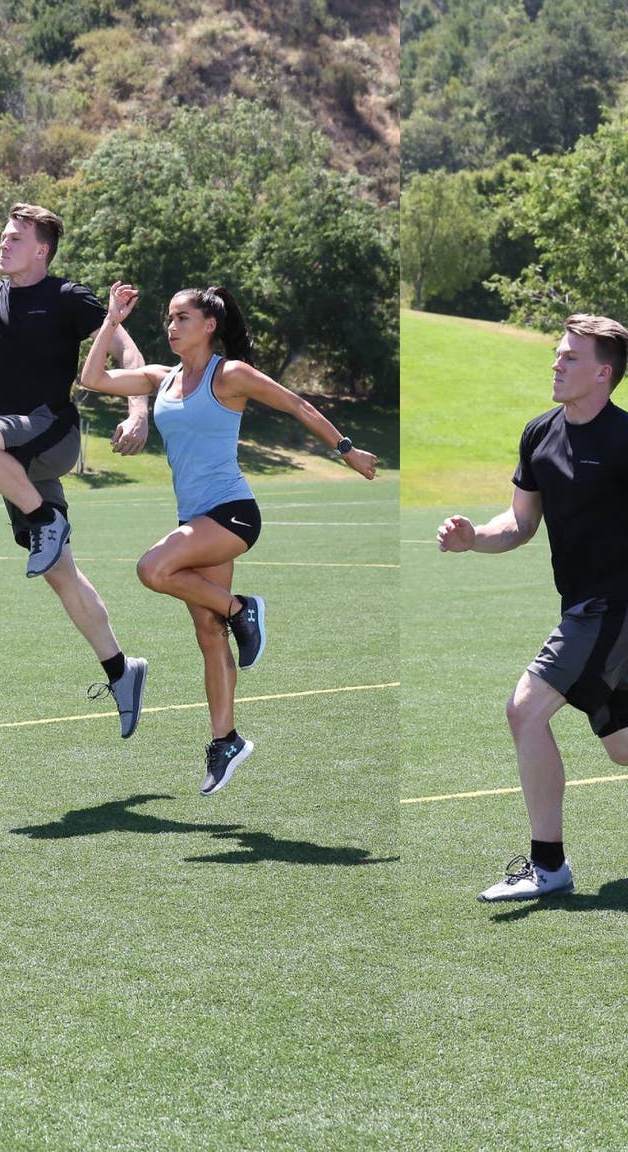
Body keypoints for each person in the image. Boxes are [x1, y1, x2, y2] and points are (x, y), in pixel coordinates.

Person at [436, 315, 628, 903]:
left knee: (525, 710)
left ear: (603, 373)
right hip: (586, 606)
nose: (556, 364)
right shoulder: (539, 433)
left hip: (618, 604)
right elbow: (520, 522)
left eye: (570, 358)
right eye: (558, 355)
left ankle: (548, 867)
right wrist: (475, 538)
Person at [78, 283, 378, 795]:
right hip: (196, 517)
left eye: (182, 318)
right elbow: (92, 377)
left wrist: (346, 449)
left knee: (153, 568)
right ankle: (227, 740)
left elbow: (295, 405)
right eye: (168, 319)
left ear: (209, 325)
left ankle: (244, 610)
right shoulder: (161, 377)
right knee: (206, 632)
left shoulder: (230, 374)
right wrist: (110, 320)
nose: (171, 327)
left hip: (233, 514)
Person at [0, 204, 150, 737]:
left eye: (15, 238)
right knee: (61, 574)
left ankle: (46, 519)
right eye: (2, 236)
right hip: (13, 456)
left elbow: (127, 349)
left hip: (51, 434)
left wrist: (138, 411)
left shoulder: (67, 298)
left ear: (41, 249)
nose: (3, 243)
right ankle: (121, 670)